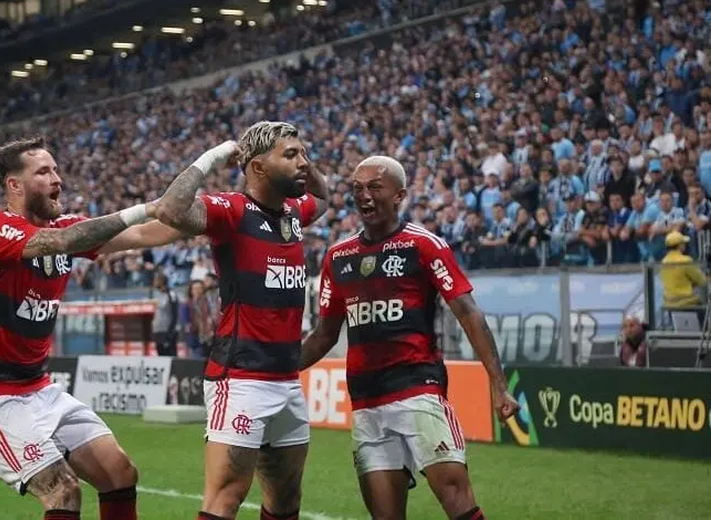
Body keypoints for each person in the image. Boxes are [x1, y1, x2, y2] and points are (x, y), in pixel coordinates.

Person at [0, 136, 183, 520]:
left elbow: (148, 234)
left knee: (119, 473)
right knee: (63, 490)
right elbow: (59, 241)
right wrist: (145, 207)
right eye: (43, 172)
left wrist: (210, 217)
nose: (57, 178)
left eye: (56, 169)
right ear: (15, 185)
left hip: (40, 389)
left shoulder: (68, 227)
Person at [300, 156, 519, 520]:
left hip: (418, 390)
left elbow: (468, 312)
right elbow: (324, 334)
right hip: (366, 401)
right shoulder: (338, 256)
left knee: (456, 497)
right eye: (357, 189)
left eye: (374, 187)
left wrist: (498, 383)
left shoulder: (424, 245)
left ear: (399, 195)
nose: (364, 196)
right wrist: (276, 368)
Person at [155, 121, 329, 520]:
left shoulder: (293, 212)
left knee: (286, 502)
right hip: (241, 379)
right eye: (291, 155)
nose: (303, 162)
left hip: (287, 381)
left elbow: (324, 197)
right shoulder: (231, 210)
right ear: (257, 167)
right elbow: (170, 209)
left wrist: (305, 162)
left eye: (303, 153)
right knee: (225, 499)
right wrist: (213, 157)